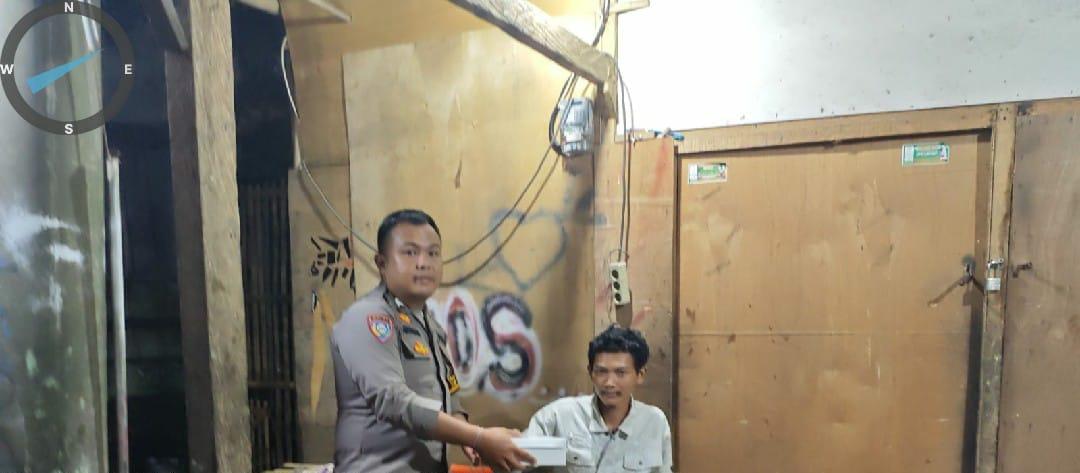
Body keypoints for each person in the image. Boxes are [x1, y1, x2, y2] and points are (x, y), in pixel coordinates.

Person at [330, 209, 535, 472]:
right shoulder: (367, 318)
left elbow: (449, 390)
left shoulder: (429, 324)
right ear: (381, 263)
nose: (423, 263)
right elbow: (393, 400)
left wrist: (467, 434)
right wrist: (479, 437)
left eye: (433, 253)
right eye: (410, 252)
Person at [525, 325, 672, 472]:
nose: (609, 383)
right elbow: (520, 459)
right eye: (601, 372)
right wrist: (510, 446)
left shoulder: (654, 422)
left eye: (620, 373)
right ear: (590, 372)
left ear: (640, 375)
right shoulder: (561, 416)